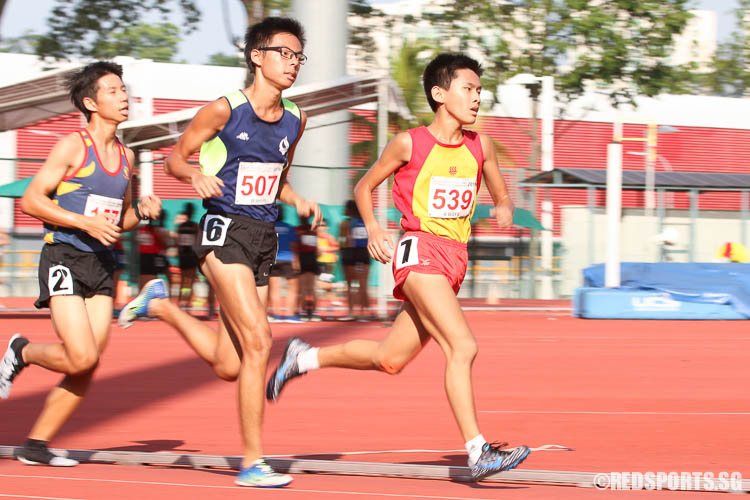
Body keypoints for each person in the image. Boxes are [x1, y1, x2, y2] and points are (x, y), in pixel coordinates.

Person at [266, 53, 530, 482]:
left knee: (390, 358)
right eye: (469, 88)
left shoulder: (480, 147)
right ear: (439, 94)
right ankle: (477, 450)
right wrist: (373, 228)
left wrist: (502, 205)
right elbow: (365, 185)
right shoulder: (410, 143)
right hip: (420, 253)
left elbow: (500, 190)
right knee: (462, 347)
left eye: (480, 90)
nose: (477, 98)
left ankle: (303, 358)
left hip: (453, 261)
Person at [117, 17, 320, 488]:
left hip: (264, 237)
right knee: (259, 341)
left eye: (297, 56)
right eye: (283, 53)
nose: (292, 64)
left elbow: (277, 177)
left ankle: (161, 304)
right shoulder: (224, 111)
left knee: (232, 363)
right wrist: (193, 176)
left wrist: (298, 200)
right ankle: (252, 463)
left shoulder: (297, 118)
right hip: (222, 231)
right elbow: (173, 158)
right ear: (256, 56)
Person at [0, 61, 161, 466]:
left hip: (101, 263)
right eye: (113, 90)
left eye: (123, 89)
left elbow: (116, 223)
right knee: (83, 355)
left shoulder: (125, 157)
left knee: (87, 365)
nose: (123, 96)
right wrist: (81, 221)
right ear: (91, 102)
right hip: (64, 256)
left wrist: (139, 211)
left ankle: (36, 445)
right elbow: (33, 200)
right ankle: (22, 350)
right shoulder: (73, 145)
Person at [268, 203, 302, 323]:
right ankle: (290, 315)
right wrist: (296, 261)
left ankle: (276, 315)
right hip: (288, 259)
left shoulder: (269, 227)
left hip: (273, 259)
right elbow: (294, 246)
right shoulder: (289, 227)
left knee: (274, 288)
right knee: (292, 288)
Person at [339, 199, 371, 321]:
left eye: (346, 208)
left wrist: (344, 242)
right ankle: (364, 312)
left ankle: (352, 312)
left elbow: (342, 241)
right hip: (363, 254)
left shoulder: (345, 223)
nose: (344, 210)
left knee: (351, 285)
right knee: (362, 284)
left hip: (350, 254)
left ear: (350, 209)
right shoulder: (366, 222)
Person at [137, 209, 172, 292]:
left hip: (145, 256)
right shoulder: (155, 229)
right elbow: (166, 243)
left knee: (146, 281)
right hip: (152, 256)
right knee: (150, 281)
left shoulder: (141, 229)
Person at [175, 203, 200, 309]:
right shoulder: (194, 226)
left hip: (183, 255)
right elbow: (198, 240)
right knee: (189, 281)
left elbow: (177, 241)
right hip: (190, 255)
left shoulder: (181, 227)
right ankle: (186, 302)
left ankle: (181, 301)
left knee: (183, 280)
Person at [296, 217, 319, 321]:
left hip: (303, 258)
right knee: (311, 287)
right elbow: (315, 246)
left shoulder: (298, 230)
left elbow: (296, 246)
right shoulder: (313, 230)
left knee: (304, 287)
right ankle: (312, 310)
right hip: (312, 258)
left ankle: (306, 310)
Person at [315, 218, 340, 316]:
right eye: (319, 225)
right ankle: (332, 306)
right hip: (318, 262)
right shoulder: (315, 237)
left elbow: (337, 247)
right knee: (326, 288)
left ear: (326, 227)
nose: (320, 227)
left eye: (322, 225)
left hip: (328, 263)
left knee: (318, 284)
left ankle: (339, 286)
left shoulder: (328, 237)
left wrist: (325, 249)